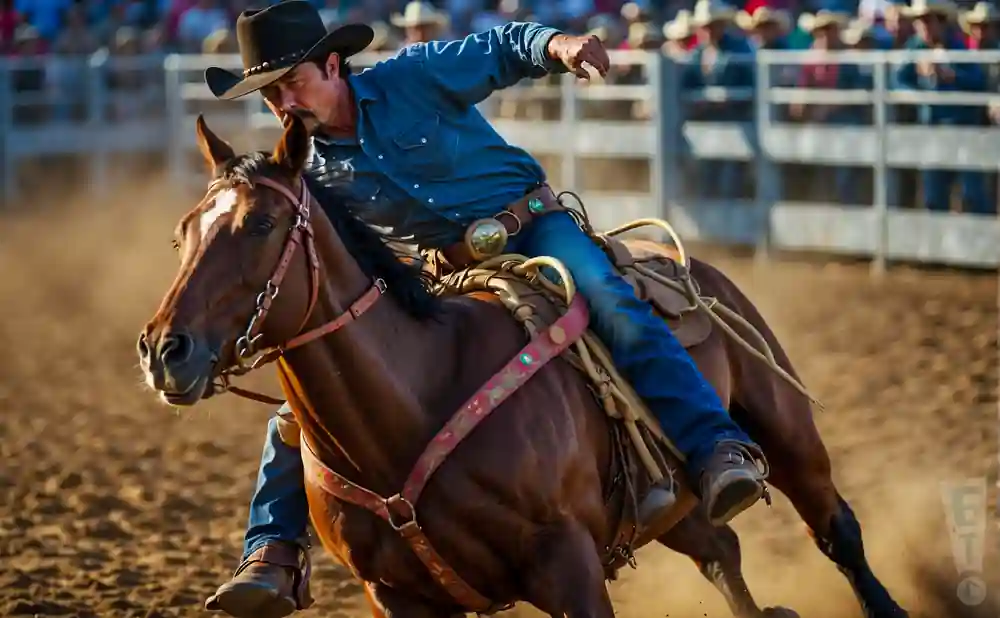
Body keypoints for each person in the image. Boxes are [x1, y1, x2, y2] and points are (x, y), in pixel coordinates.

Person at [201, 3, 770, 616]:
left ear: (333, 64)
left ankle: (715, 449)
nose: (284, 102)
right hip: (439, 269)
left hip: (531, 228)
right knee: (305, 402)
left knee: (610, 301)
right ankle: (272, 554)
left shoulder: (410, 78)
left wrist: (561, 47)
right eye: (269, 94)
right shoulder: (308, 168)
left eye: (292, 82)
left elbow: (501, 48)